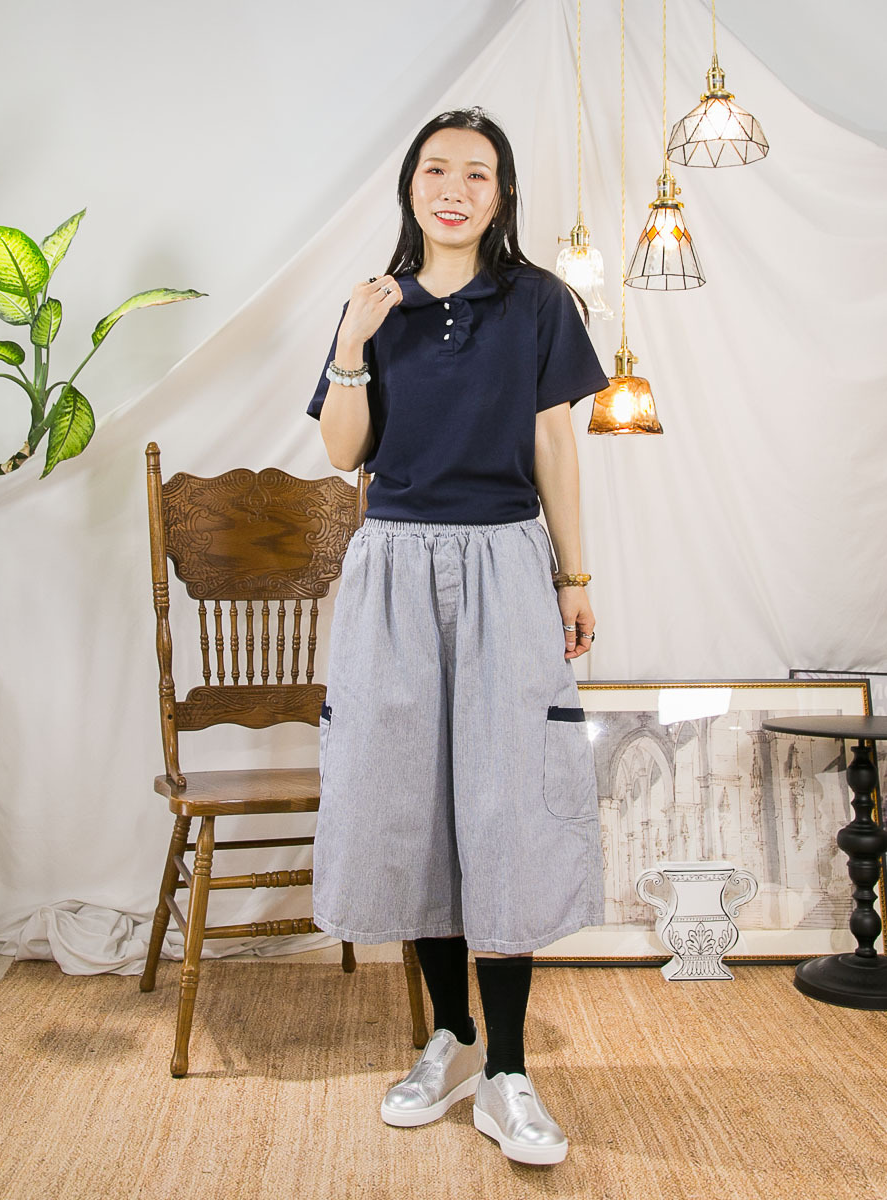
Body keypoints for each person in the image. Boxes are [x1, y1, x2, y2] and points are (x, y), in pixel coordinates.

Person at [306, 107, 608, 1167]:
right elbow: (346, 451)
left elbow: (554, 442)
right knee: (408, 801)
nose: (454, 188)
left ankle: (509, 1073)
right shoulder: (373, 304)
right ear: (410, 185)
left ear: (501, 194)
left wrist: (574, 577)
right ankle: (452, 1036)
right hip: (392, 567)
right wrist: (352, 342)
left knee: (506, 803)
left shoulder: (539, 301)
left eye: (477, 174)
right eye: (436, 169)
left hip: (505, 562)